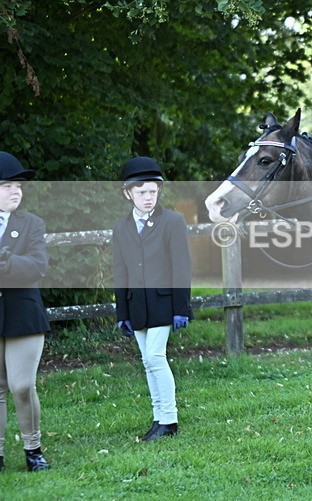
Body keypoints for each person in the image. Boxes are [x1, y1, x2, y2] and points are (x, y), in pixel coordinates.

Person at [112, 156, 192, 441]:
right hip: (137, 305)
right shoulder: (121, 228)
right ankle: (158, 417)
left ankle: (169, 420)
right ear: (127, 193)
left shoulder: (172, 221)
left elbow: (181, 267)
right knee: (147, 361)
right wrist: (122, 312)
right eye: (141, 191)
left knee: (156, 357)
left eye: (153, 192)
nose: (148, 197)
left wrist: (181, 308)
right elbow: (119, 272)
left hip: (164, 302)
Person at [0, 152, 50, 472]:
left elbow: (38, 266)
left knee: (21, 385)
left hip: (24, 314)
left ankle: (33, 448)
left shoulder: (31, 224)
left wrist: (8, 263)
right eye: (7, 185)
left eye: (18, 185)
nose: (16, 191)